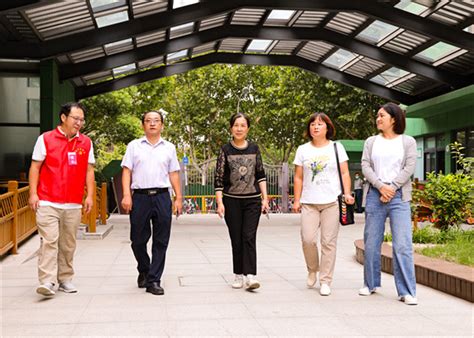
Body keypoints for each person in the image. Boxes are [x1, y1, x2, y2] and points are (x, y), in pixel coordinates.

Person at [28, 102, 95, 297]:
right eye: (76, 118)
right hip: (47, 200)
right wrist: (33, 193)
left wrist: (89, 195)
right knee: (50, 240)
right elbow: (35, 167)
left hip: (73, 202)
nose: (79, 123)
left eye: (82, 119)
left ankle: (65, 278)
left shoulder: (86, 142)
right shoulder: (46, 139)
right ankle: (47, 280)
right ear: (63, 118)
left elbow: (89, 171)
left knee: (68, 243)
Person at [359, 102, 418, 305]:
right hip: (376, 194)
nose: (378, 119)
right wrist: (380, 186)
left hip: (399, 196)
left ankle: (407, 291)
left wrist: (391, 187)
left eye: (382, 115)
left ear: (394, 118)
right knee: (371, 241)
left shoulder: (407, 141)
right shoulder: (371, 141)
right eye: (377, 115)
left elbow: (410, 166)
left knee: (402, 244)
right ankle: (370, 284)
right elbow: (365, 165)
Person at [121, 110, 182, 296]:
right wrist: (126, 195)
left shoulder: (169, 147)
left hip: (162, 196)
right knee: (137, 240)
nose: (153, 124)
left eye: (156, 121)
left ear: (162, 125)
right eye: (148, 121)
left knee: (161, 240)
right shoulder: (134, 146)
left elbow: (173, 173)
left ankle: (154, 280)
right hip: (139, 197)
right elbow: (126, 171)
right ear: (143, 125)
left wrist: (178, 197)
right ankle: (144, 269)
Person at [292, 112, 354, 296]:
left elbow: (344, 173)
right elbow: (298, 176)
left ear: (327, 127)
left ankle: (326, 280)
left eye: (319, 124)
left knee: (328, 242)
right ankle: (313, 268)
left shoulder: (337, 147)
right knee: (308, 239)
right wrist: (296, 200)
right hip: (309, 202)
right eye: (312, 124)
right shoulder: (303, 149)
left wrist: (348, 193)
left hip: (331, 202)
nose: (315, 127)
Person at [215, 113, 269, 290]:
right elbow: (219, 179)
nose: (239, 129)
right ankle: (238, 274)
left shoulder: (254, 148)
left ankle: (251, 276)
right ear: (231, 128)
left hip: (252, 200)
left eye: (243, 125)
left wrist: (265, 198)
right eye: (236, 125)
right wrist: (220, 202)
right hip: (231, 201)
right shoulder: (225, 150)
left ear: (248, 129)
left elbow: (260, 175)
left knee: (248, 236)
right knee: (236, 238)